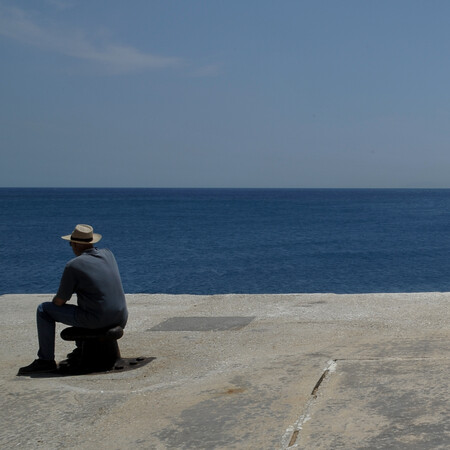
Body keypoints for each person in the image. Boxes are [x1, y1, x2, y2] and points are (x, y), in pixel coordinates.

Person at [18, 224, 128, 375]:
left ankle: (45, 360)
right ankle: (80, 348)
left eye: (70, 244)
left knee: (43, 309)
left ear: (76, 244)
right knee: (87, 305)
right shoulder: (108, 254)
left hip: (97, 320)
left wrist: (56, 301)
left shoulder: (73, 266)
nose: (71, 247)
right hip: (121, 317)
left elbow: (60, 301)